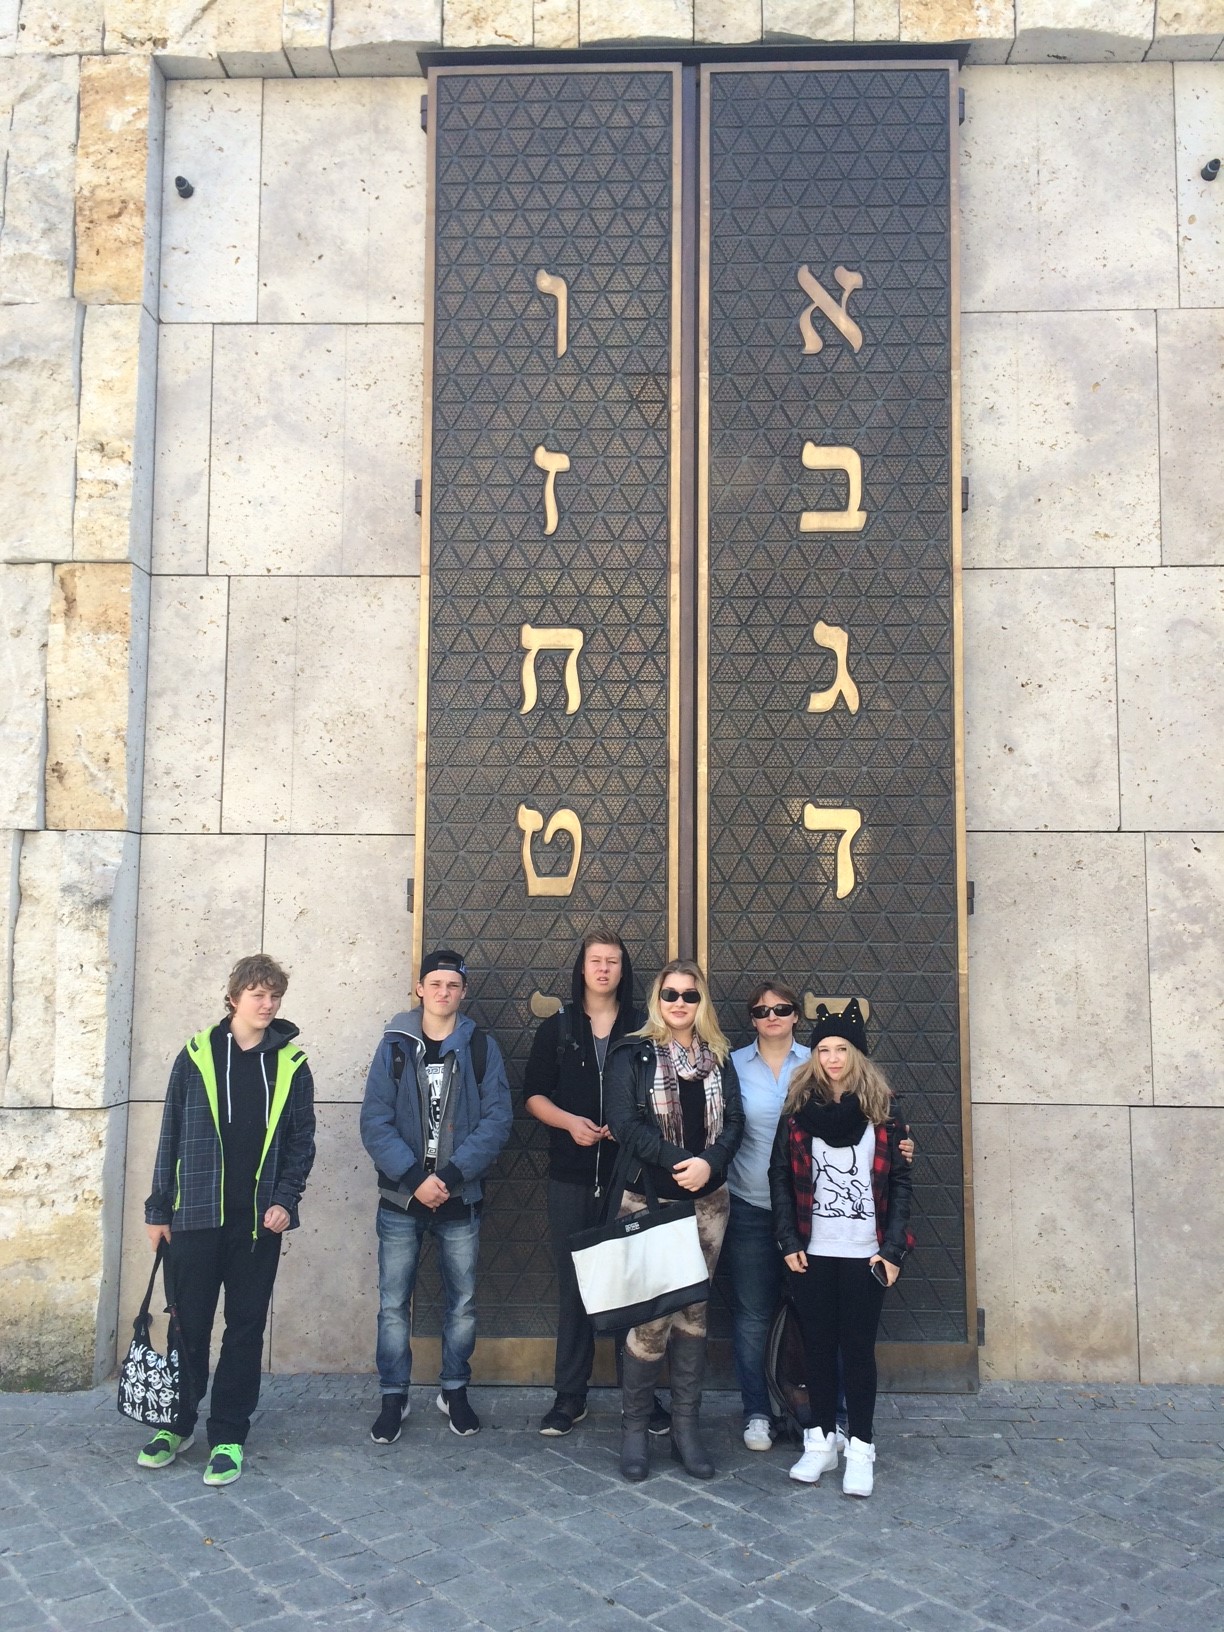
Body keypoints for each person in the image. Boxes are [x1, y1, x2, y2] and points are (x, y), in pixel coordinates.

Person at [140, 954, 316, 1487]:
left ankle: (229, 1435)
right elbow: (170, 1132)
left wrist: (286, 1200)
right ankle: (176, 1424)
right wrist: (158, 1209)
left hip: (258, 1224)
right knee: (187, 1325)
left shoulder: (291, 1063)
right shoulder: (196, 1055)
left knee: (244, 1328)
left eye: (275, 996)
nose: (268, 1004)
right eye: (258, 994)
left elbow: (301, 1142)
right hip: (194, 1217)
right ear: (234, 997)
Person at [360, 948, 512, 1444]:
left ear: (463, 992)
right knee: (392, 1304)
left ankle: (454, 1390)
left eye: (453, 985)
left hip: (459, 1196)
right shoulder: (394, 1045)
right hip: (401, 1199)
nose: (444, 992)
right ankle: (393, 1396)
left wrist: (447, 1175)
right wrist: (414, 1178)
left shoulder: (481, 1047)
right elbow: (375, 1121)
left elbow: (497, 1121)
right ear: (420, 988)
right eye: (436, 984)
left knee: (462, 1303)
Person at [524, 928, 667, 1439]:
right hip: (572, 1175)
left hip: (632, 1177)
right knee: (575, 1287)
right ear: (582, 968)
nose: (604, 969)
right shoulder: (559, 1026)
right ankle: (570, 1396)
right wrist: (569, 1123)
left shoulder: (645, 1027)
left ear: (623, 970)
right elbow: (533, 1095)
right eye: (595, 961)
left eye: (612, 961)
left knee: (634, 1289)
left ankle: (641, 1398)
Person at [768, 998, 914, 1498]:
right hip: (813, 1249)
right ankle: (821, 1441)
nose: (832, 1058)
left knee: (857, 1352)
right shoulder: (797, 1111)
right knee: (815, 1348)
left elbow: (901, 1183)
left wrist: (893, 1251)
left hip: (865, 1253)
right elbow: (780, 1177)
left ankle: (861, 1448)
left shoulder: (884, 1111)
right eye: (824, 1049)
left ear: (858, 1054)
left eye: (842, 1049)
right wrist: (788, 1240)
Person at [605, 959, 744, 1482]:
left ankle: (686, 1428)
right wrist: (680, 1161)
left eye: (690, 995)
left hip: (708, 1205)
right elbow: (624, 1124)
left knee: (693, 1315)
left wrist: (711, 1162)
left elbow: (735, 1122)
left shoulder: (719, 1056)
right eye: (671, 995)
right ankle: (635, 1430)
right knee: (651, 1317)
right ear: (656, 1000)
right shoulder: (633, 1053)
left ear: (701, 1001)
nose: (680, 1004)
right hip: (651, 1203)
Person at [725, 980, 809, 1452]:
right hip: (750, 1205)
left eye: (781, 1008)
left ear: (796, 1014)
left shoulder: (819, 1061)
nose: (771, 1017)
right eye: (761, 1011)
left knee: (814, 1314)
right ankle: (757, 1411)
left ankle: (818, 1412)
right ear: (752, 1019)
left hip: (810, 1213)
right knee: (752, 1315)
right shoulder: (733, 1065)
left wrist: (900, 1144)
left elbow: (863, 1116)